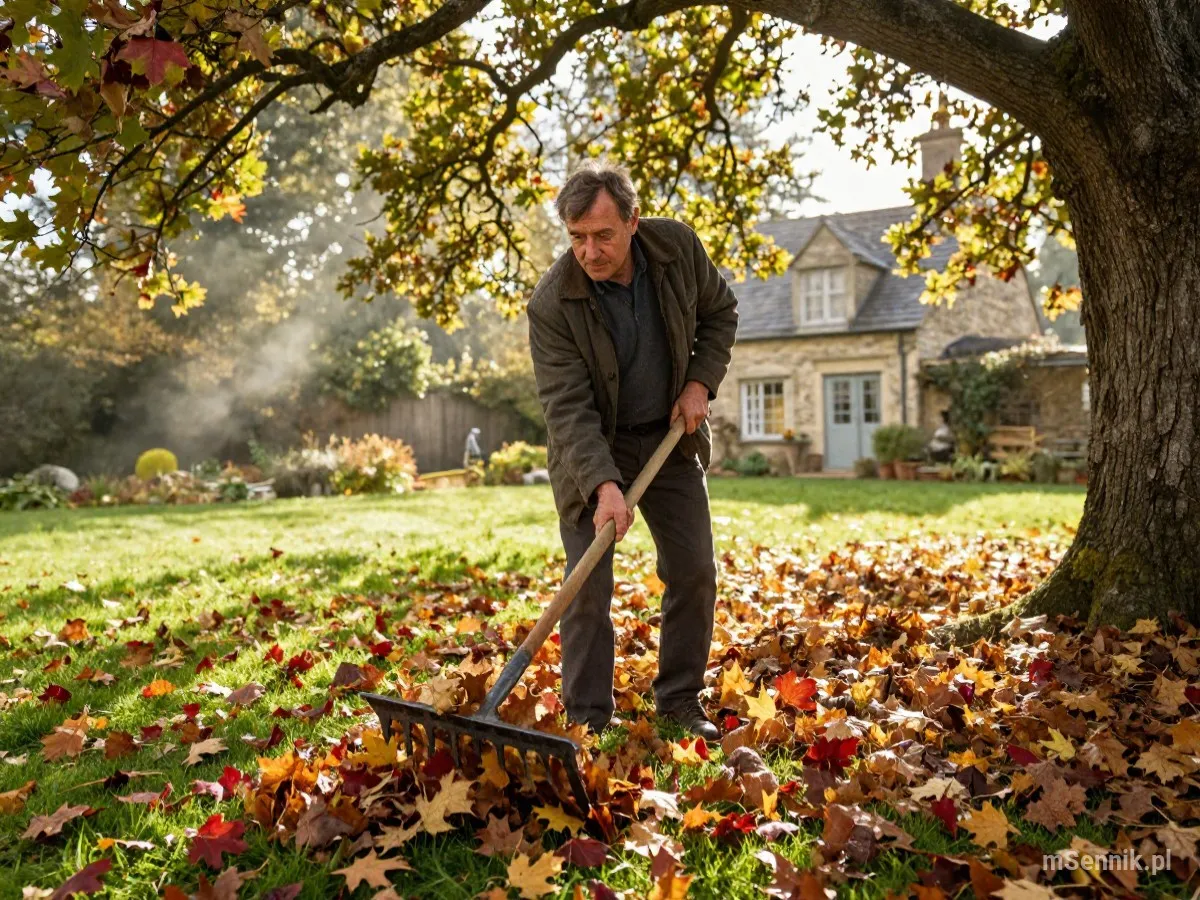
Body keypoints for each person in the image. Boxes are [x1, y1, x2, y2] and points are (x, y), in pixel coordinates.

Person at [526, 160, 738, 739]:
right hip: (593, 447)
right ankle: (587, 719)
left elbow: (721, 313)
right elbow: (566, 408)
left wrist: (700, 382)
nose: (589, 252)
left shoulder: (677, 249)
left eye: (602, 236)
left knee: (693, 570)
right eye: (576, 238)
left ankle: (678, 701)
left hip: (670, 434)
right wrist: (603, 485)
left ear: (633, 223)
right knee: (587, 586)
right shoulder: (552, 303)